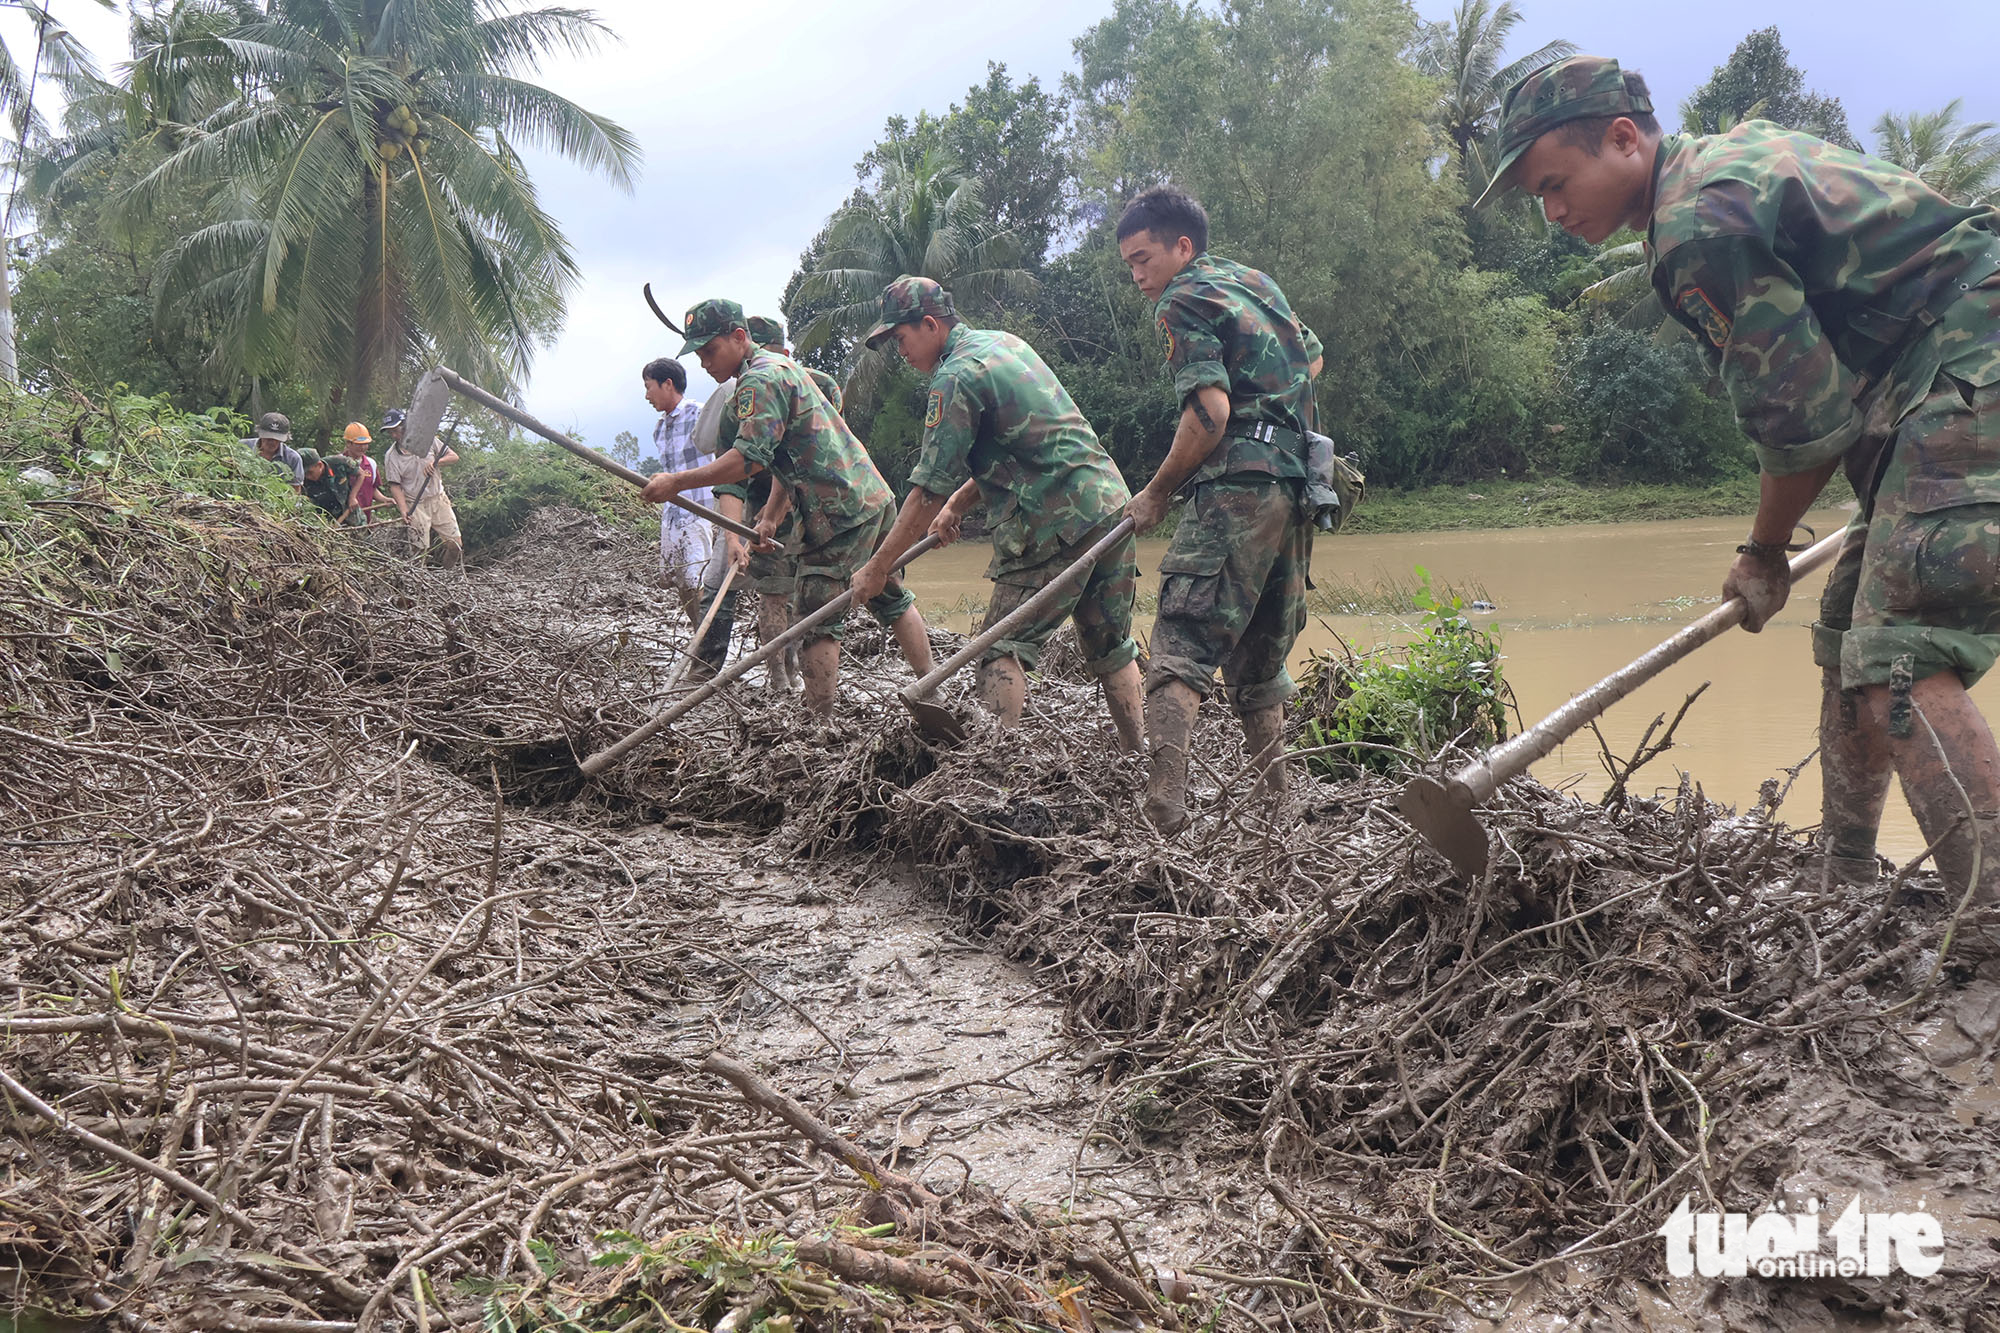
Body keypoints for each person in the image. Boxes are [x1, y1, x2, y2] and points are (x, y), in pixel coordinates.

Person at [1475, 54, 2000, 960]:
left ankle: (1991, 920)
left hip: (1966, 364)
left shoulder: (1695, 226)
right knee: (1849, 638)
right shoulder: (1715, 166)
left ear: (1624, 138)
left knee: (1898, 656)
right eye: (1538, 199)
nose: (1553, 213)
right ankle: (1844, 875)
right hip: (1926, 380)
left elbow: (1802, 421)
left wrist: (1761, 552)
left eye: (1556, 184)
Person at [853, 276, 1145, 750]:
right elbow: (1023, 446)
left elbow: (925, 488)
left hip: (1054, 523)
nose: (900, 353)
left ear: (930, 325)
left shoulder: (954, 378)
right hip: (1109, 504)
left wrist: (878, 568)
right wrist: (958, 504)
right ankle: (1139, 760)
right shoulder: (1005, 345)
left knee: (998, 650)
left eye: (900, 339)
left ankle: (990, 775)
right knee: (1112, 648)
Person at [1115, 185, 1324, 832]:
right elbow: (1313, 356)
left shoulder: (1183, 300)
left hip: (1237, 487)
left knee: (1178, 646)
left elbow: (1210, 414)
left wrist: (1155, 493)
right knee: (1259, 667)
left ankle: (1163, 814)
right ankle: (1278, 814)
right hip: (1296, 489)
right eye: (1129, 265)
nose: (1138, 276)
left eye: (1144, 258)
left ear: (1183, 247)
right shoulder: (1255, 283)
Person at [643, 298, 935, 714]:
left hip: (837, 513)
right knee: (890, 595)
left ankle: (818, 724)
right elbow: (789, 455)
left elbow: (750, 460)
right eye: (699, 353)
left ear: (739, 338)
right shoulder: (783, 372)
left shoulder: (759, 382)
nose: (704, 363)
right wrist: (771, 517)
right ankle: (933, 684)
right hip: (870, 496)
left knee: (814, 618)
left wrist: (677, 482)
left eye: (710, 350)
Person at [380, 404, 464, 570]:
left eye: (398, 430)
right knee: (419, 551)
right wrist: (403, 509)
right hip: (415, 504)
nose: (395, 435)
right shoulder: (392, 456)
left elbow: (454, 457)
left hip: (438, 498)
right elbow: (395, 485)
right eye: (392, 432)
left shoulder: (428, 439)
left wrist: (436, 462)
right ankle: (419, 584)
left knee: (456, 546)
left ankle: (446, 576)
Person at [298, 447, 361, 522]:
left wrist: (352, 497)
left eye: (310, 473)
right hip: (325, 523)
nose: (307, 477)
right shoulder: (302, 482)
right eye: (304, 474)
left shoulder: (339, 462)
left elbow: (361, 474)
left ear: (319, 465)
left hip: (352, 515)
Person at [246, 411, 304, 491]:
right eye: (268, 438)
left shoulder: (293, 459)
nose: (272, 442)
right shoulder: (243, 447)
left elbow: (295, 491)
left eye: (277, 439)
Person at [342, 422, 382, 524]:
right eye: (359, 444)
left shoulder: (371, 464)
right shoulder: (338, 463)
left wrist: (384, 499)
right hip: (344, 520)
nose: (363, 447)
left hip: (364, 521)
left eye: (365, 444)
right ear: (348, 443)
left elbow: (372, 488)